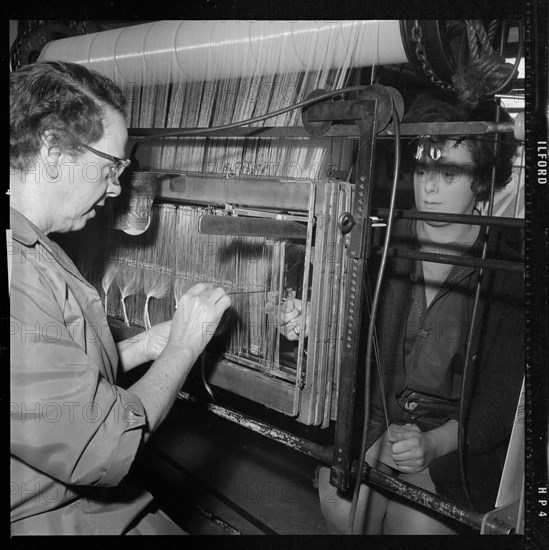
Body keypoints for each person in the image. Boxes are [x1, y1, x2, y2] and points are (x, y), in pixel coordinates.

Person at [281, 91, 524, 534]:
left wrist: (434, 443)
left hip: (452, 435)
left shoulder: (507, 274)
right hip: (379, 412)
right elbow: (349, 327)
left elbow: (502, 398)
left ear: (483, 183)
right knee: (346, 510)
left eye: (448, 172)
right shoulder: (378, 245)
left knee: (417, 528)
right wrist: (316, 321)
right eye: (422, 167)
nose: (428, 185)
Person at [10, 60, 231, 535]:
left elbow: (41, 372)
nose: (115, 188)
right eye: (111, 166)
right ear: (52, 150)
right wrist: (183, 349)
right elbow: (105, 445)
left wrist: (145, 346)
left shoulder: (31, 246)